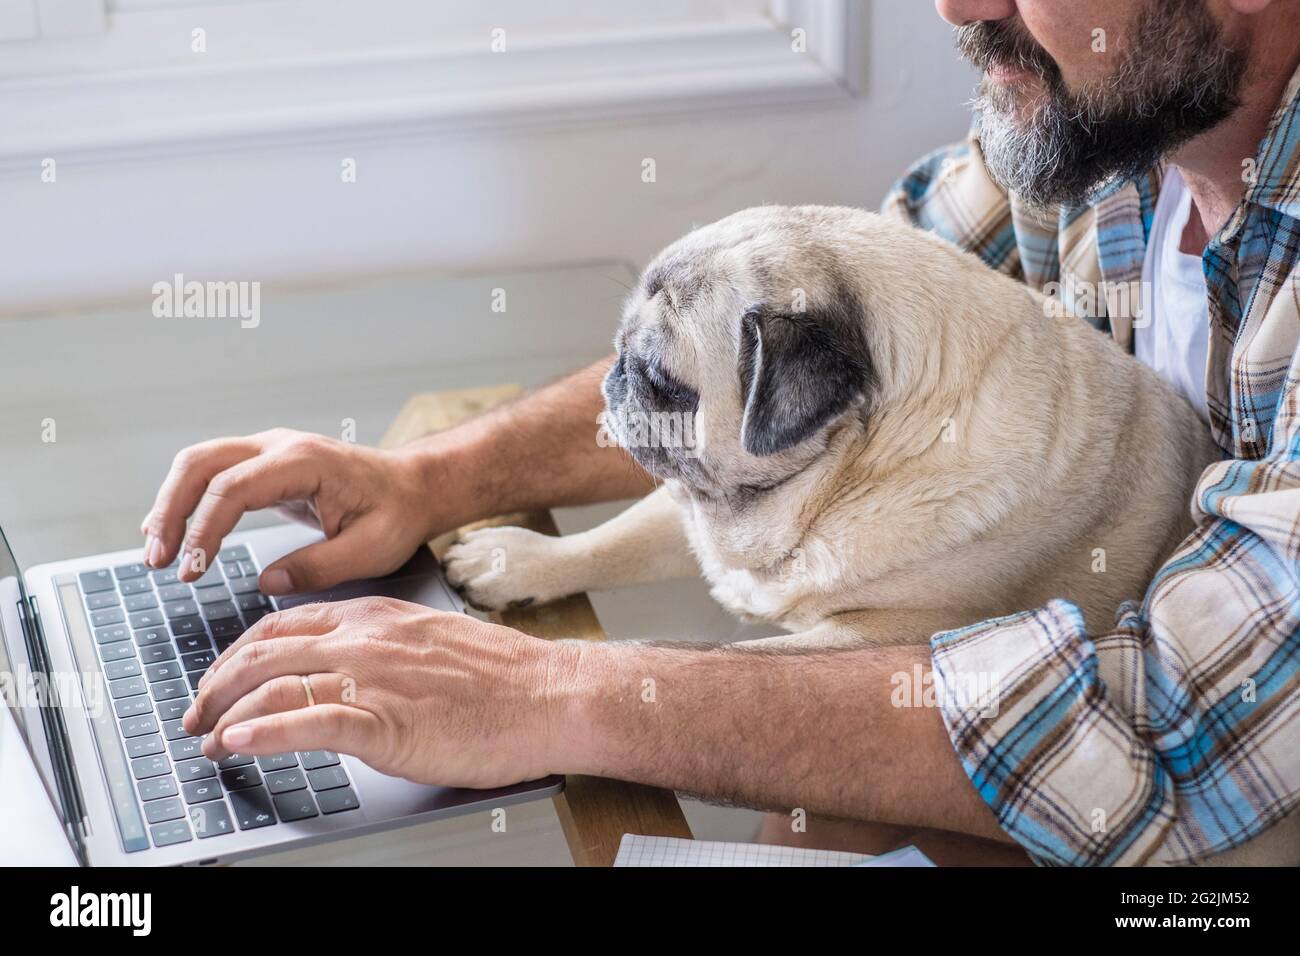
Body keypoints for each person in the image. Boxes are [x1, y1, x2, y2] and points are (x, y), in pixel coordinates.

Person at [153, 0, 1300, 865]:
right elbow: (833, 313)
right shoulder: (1090, 122)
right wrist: (429, 477)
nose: (955, 6)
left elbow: (1166, 722)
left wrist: (556, 696)